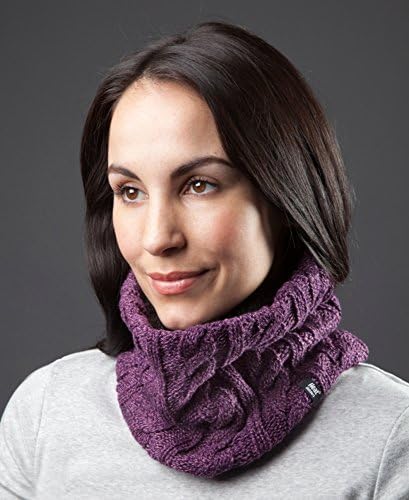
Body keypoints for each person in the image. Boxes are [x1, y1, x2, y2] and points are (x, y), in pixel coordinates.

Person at [1, 20, 408, 500]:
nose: (157, 238)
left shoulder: (391, 437)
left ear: (286, 197)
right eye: (129, 191)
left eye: (199, 185)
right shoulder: (47, 413)